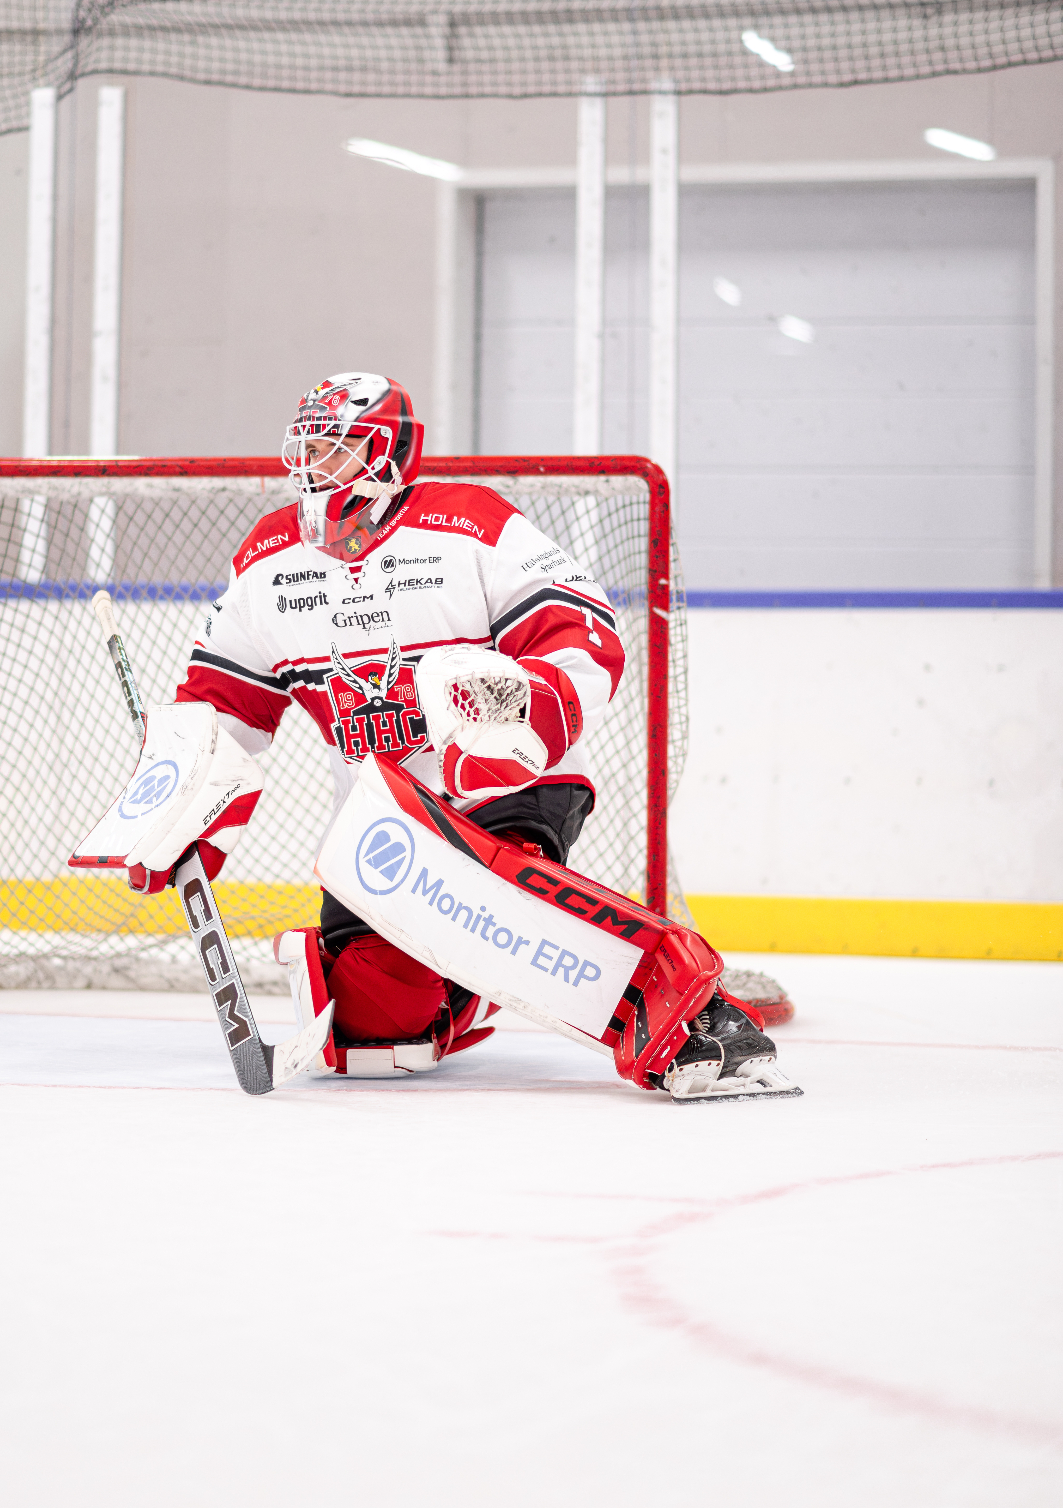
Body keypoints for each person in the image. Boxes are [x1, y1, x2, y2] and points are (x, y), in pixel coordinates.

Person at [130, 371, 784, 1094]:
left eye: (335, 446)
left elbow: (582, 632)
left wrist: (516, 706)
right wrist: (182, 793)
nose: (313, 464)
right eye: (308, 445)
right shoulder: (267, 561)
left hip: (509, 785)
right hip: (381, 823)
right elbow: (223, 704)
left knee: (490, 898)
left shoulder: (467, 522)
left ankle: (693, 1012)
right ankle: (463, 978)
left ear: (386, 453)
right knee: (376, 1033)